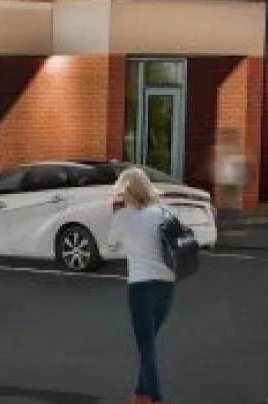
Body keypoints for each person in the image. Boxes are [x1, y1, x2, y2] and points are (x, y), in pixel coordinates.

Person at [107, 167, 177, 404]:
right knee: (149, 343)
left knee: (146, 347)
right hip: (167, 285)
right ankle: (139, 395)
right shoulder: (165, 211)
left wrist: (118, 217)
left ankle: (157, 399)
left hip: (141, 286)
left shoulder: (122, 217)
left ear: (126, 191)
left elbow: (111, 246)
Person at [212, 129, 248, 240]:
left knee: (230, 202)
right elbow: (218, 164)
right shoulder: (225, 149)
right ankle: (225, 227)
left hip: (230, 180)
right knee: (228, 202)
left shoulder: (231, 149)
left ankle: (227, 227)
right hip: (227, 180)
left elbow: (238, 165)